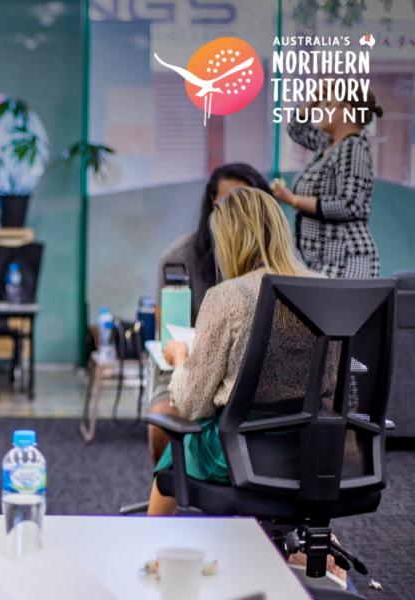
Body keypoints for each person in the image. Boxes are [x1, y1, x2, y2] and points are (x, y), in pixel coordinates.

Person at [147, 187, 316, 517]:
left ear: (231, 240)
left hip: (239, 451)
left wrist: (181, 358)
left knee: (172, 462)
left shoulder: (227, 296)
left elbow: (192, 405)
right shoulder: (320, 288)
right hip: (312, 447)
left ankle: (154, 557)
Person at [147, 163, 271, 463]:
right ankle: (175, 484)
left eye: (246, 201)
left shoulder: (277, 265)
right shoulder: (180, 259)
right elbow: (170, 336)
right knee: (166, 419)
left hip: (257, 373)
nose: (237, 214)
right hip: (193, 362)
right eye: (227, 203)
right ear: (211, 207)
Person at [271, 92, 383, 279]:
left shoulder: (353, 147)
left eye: (328, 105)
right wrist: (314, 97)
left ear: (346, 109)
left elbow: (351, 206)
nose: (321, 110)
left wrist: (293, 199)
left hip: (346, 260)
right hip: (325, 260)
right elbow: (296, 130)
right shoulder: (329, 145)